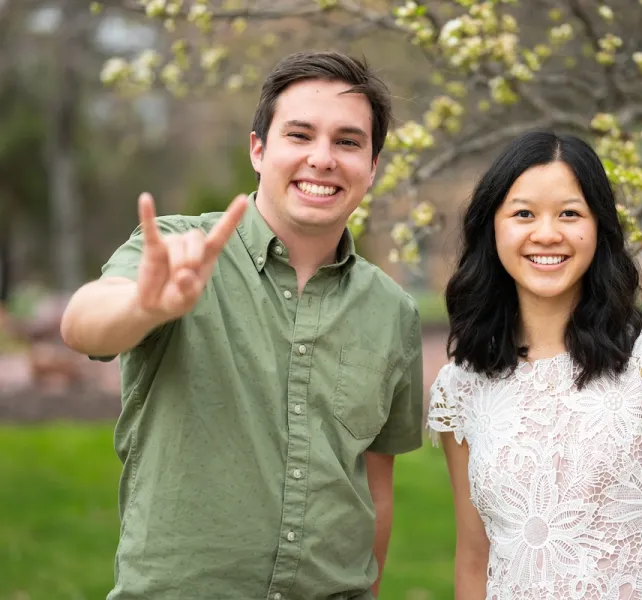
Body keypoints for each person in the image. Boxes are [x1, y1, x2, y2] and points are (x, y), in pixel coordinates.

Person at [60, 50, 425, 600]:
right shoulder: (181, 250)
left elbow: (377, 485)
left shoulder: (393, 310)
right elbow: (83, 324)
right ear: (258, 150)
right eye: (299, 135)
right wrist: (147, 306)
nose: (322, 159)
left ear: (372, 167)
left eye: (348, 142)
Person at [427, 131, 642, 599]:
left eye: (569, 213)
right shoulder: (462, 386)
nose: (547, 233)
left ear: (598, 228)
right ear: (493, 228)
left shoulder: (640, 356)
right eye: (524, 213)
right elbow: (475, 555)